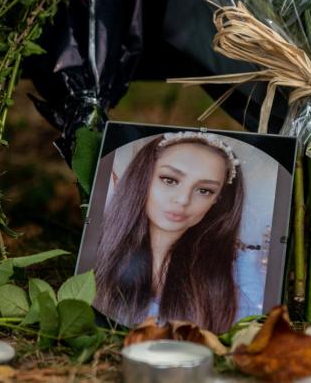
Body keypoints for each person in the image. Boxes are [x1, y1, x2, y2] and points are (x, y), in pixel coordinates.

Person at [93, 131, 245, 332]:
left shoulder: (235, 273)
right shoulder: (96, 251)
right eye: (169, 180)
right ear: (143, 177)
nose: (183, 200)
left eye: (204, 190)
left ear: (217, 199)